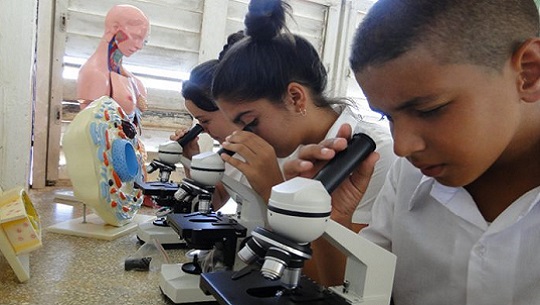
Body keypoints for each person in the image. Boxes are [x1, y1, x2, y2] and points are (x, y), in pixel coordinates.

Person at [283, 0, 540, 304]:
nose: (402, 146)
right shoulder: (407, 175)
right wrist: (333, 219)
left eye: (428, 110)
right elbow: (360, 293)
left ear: (528, 73)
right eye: (387, 117)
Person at [210, 0, 396, 283]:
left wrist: (272, 189)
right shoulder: (286, 146)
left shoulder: (373, 154)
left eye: (249, 123)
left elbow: (337, 283)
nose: (244, 135)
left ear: (295, 97)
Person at [170, 31, 248, 211]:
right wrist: (191, 159)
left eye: (204, 120)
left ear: (228, 106)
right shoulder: (231, 152)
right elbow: (214, 201)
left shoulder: (282, 150)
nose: (203, 130)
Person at [77, 4, 150, 126]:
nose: (139, 46)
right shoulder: (94, 74)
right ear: (115, 28)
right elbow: (92, 134)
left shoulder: (133, 81)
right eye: (136, 37)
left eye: (143, 40)